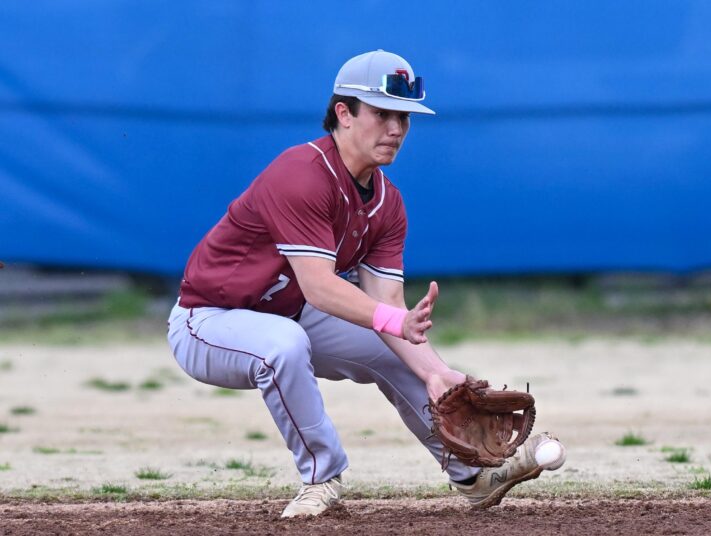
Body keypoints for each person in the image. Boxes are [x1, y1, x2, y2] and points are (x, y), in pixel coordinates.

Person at [167, 49, 562, 517]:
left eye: (404, 117)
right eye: (382, 114)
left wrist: (434, 371)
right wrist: (394, 322)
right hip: (209, 320)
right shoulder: (300, 174)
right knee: (284, 344)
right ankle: (321, 479)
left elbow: (386, 304)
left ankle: (473, 476)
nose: (396, 128)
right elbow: (320, 288)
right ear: (344, 113)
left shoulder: (388, 204)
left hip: (291, 312)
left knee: (389, 350)